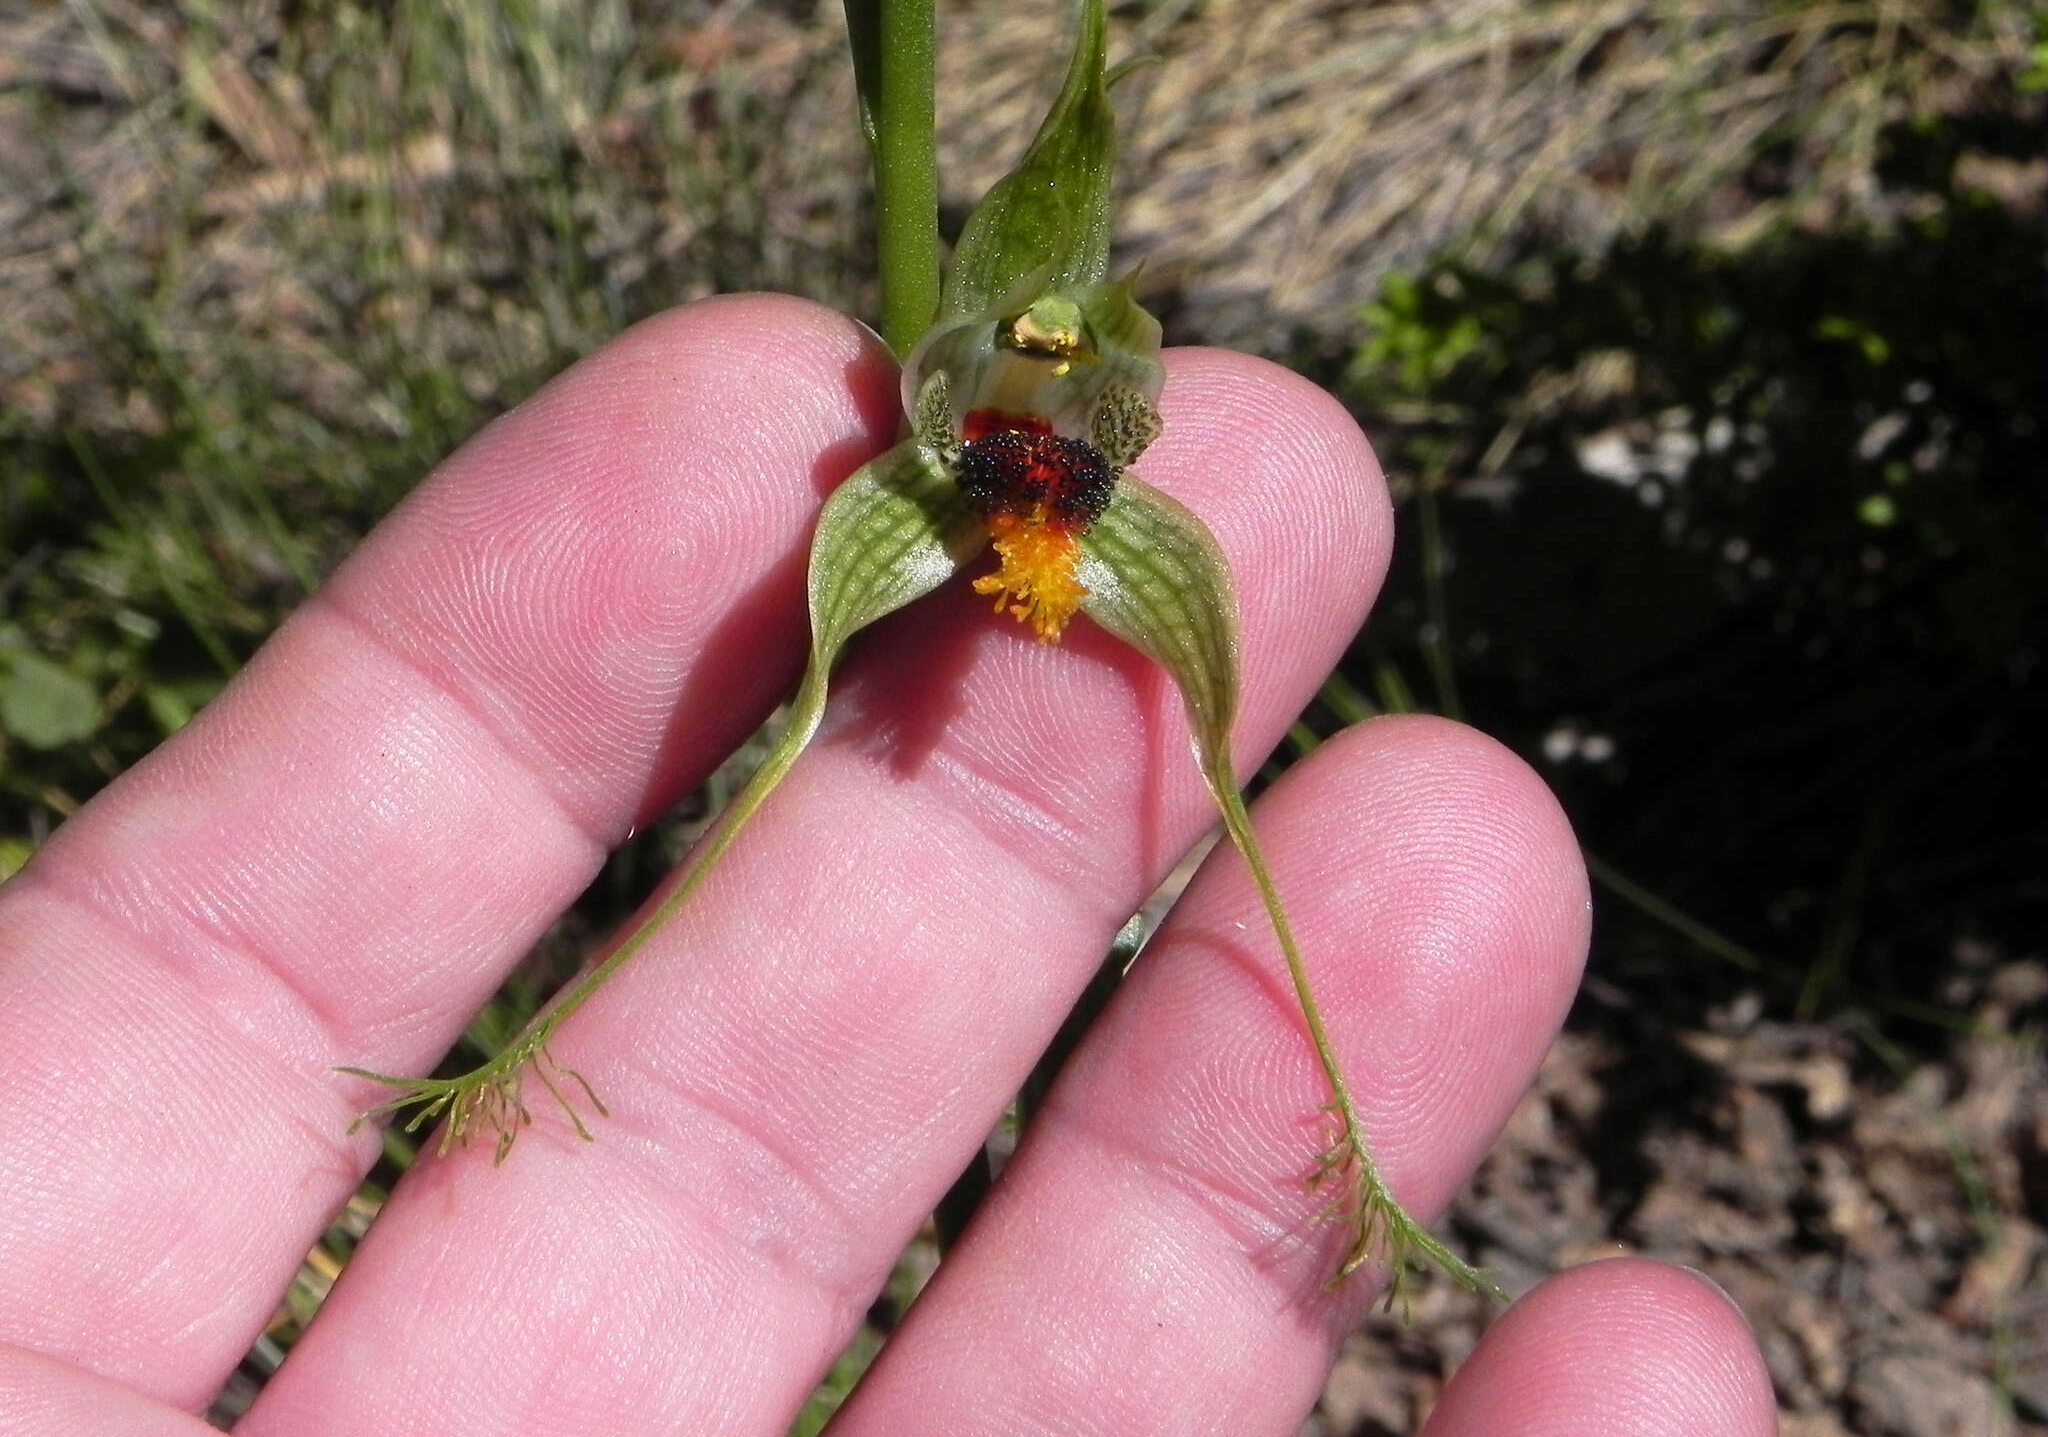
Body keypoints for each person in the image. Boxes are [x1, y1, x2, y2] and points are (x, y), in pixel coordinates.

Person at [0, 297, 1776, 1434]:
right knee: (787, 739)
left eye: (1090, 412)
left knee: (1226, 772)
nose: (1056, 423)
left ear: (1117, 429)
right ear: (963, 407)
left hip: (1061, 531)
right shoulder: (925, 482)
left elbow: (1164, 640)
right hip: (945, 510)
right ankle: (521, 1050)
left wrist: (1057, 509)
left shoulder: (1101, 503)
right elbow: (833, 645)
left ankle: (1362, 1158)